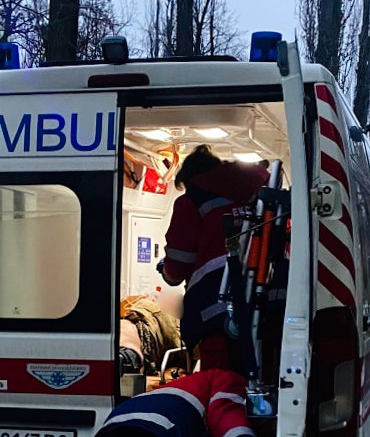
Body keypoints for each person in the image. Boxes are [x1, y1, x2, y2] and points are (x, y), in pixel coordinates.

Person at [159, 144, 269, 371]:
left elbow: (177, 268)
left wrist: (165, 270)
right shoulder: (255, 195)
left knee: (221, 382)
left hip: (214, 309)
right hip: (262, 304)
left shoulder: (191, 202)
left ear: (191, 178)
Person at [95, 368, 254, 437]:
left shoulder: (180, 385)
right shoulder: (227, 380)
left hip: (118, 420)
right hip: (159, 427)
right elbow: (226, 416)